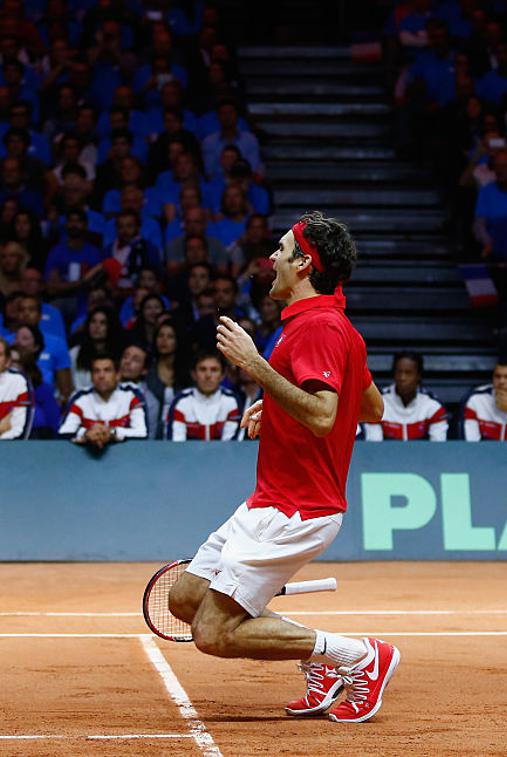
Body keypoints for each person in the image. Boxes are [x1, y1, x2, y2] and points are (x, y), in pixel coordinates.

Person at [166, 211, 398, 724]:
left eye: (281, 250)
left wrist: (257, 369)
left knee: (213, 633)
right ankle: (324, 661)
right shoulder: (332, 327)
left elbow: (323, 415)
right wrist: (277, 403)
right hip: (270, 499)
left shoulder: (318, 327)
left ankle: (359, 657)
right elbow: (370, 408)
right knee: (187, 598)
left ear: (304, 265)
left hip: (298, 510)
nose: (270, 259)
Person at [59, 355, 147, 446]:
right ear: (91, 376)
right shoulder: (80, 398)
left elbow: (142, 433)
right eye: (96, 371)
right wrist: (86, 434)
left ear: (117, 375)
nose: (101, 376)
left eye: (107, 370)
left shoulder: (131, 395)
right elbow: (64, 433)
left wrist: (112, 433)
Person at [362, 352, 448, 441]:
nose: (402, 377)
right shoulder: (378, 402)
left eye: (408, 373)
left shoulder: (433, 406)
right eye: (399, 372)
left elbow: (438, 447)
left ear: (418, 376)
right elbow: (374, 446)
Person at [167, 351, 242, 441]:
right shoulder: (181, 402)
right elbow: (177, 445)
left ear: (222, 375)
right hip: (187, 455)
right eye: (203, 369)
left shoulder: (231, 401)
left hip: (224, 455)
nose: (208, 375)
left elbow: (231, 446)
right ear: (194, 374)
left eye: (214, 370)